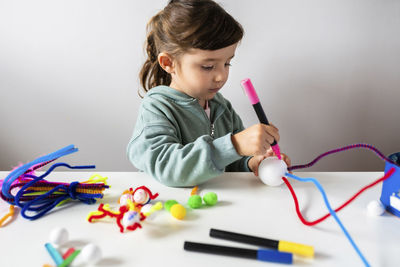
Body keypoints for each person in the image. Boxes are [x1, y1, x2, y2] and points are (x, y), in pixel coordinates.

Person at [127, 0, 290, 187]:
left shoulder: (221, 106)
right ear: (168, 63)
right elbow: (166, 167)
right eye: (208, 66)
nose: (221, 76)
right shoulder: (157, 108)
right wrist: (235, 144)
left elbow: (231, 162)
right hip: (170, 209)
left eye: (227, 63)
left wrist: (253, 162)